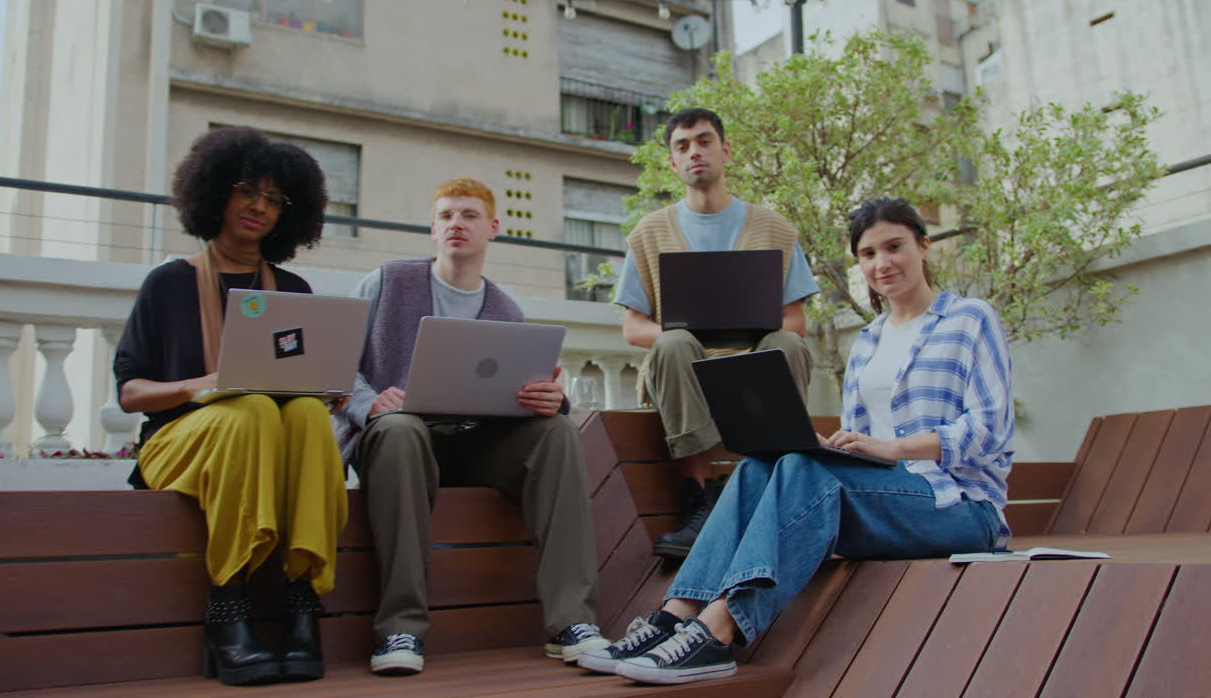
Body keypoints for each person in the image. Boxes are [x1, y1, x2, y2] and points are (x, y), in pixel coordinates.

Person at [581, 197, 1013, 684]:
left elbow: (991, 429)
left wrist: (895, 448)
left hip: (959, 506)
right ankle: (675, 614)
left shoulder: (969, 319)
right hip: (883, 499)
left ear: (924, 246)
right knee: (760, 466)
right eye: (868, 254)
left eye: (894, 247)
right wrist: (831, 445)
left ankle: (718, 632)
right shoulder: (868, 341)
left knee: (803, 472)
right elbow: (859, 439)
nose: (882, 263)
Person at [333, 178, 607, 676]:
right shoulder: (388, 281)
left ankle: (572, 621)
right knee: (400, 429)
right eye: (447, 216)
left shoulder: (507, 310)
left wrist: (551, 400)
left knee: (561, 432)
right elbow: (333, 363)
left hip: (474, 445)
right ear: (433, 228)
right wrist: (371, 403)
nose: (456, 223)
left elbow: (518, 392)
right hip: (398, 443)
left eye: (469, 215)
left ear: (493, 228)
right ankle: (400, 627)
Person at [114, 127, 349, 686]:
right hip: (180, 443)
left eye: (274, 199)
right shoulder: (167, 284)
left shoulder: (290, 287)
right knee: (252, 411)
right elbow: (129, 393)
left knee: (308, 415)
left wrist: (324, 386)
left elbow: (298, 384)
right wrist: (200, 385)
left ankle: (301, 603)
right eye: (248, 190)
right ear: (216, 191)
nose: (259, 207)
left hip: (269, 436)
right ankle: (228, 608)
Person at [614, 107, 820, 558]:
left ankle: (766, 491)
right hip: (683, 367)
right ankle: (700, 497)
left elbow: (797, 319)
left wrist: (749, 336)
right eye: (682, 146)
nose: (695, 152)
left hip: (755, 364)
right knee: (672, 341)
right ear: (672, 162)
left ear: (725, 150)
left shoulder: (775, 228)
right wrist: (689, 331)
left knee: (789, 342)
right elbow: (633, 327)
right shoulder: (649, 233)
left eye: (704, 141)